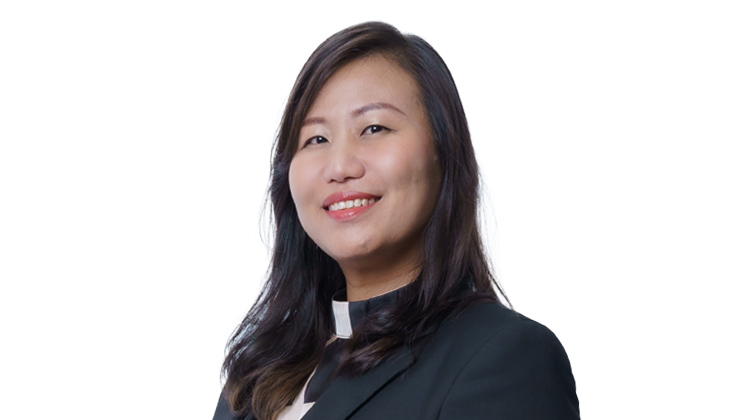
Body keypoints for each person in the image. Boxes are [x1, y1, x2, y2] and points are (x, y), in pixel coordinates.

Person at [212, 21, 579, 420]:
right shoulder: (255, 374)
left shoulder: (506, 356)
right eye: (316, 139)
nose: (340, 167)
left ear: (443, 153)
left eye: (374, 128)